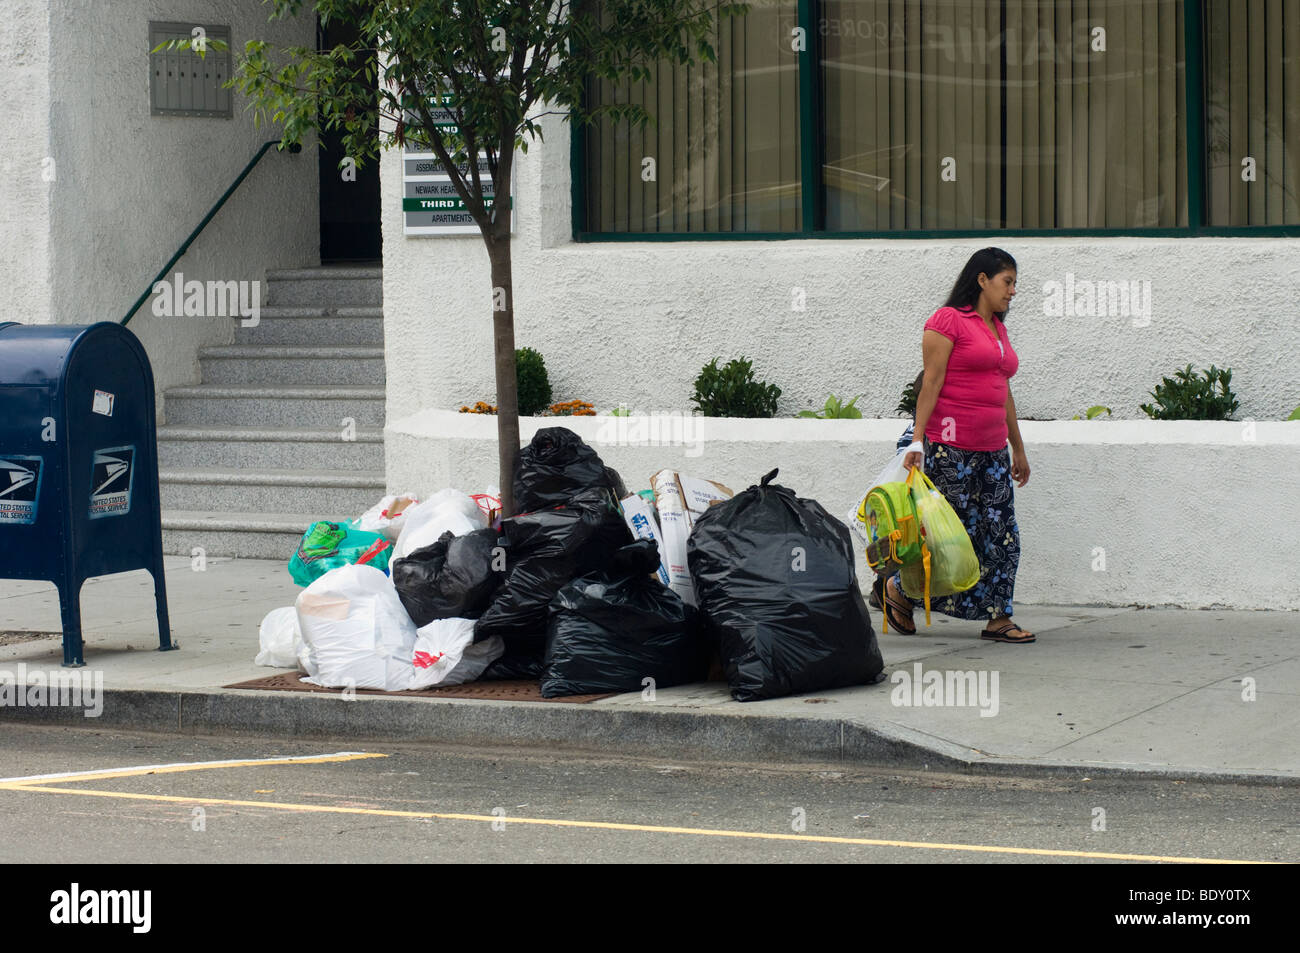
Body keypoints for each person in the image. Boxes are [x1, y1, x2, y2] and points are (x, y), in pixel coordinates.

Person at [873, 247, 1034, 643]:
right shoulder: (947, 321)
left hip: (992, 450)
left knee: (1001, 534)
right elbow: (931, 383)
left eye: (1015, 283)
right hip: (950, 448)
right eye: (1006, 282)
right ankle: (898, 589)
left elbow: (1004, 392)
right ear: (982, 280)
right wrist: (917, 442)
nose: (1012, 291)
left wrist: (1018, 447)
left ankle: (998, 618)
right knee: (943, 536)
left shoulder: (998, 328)